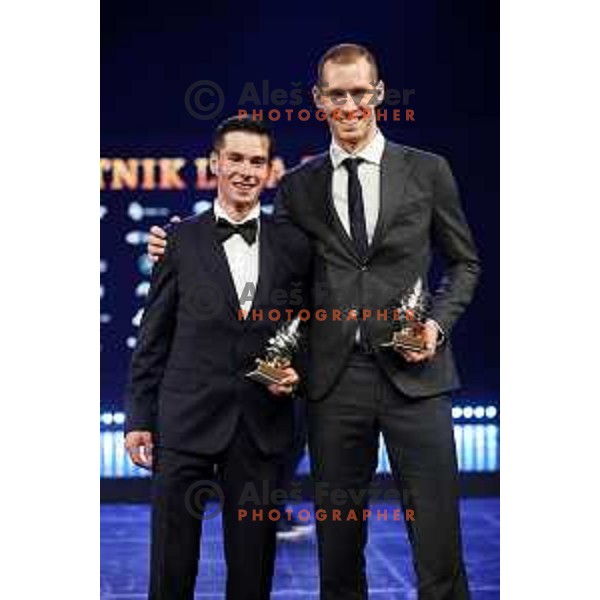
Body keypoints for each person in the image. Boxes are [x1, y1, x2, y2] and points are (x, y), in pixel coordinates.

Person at [148, 44, 481, 600]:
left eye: (358, 92)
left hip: (418, 383)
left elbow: (466, 263)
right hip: (333, 386)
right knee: (339, 554)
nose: (349, 104)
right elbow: (270, 259)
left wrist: (437, 326)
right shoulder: (299, 186)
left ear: (378, 94)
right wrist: (179, 238)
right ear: (319, 101)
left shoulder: (428, 170)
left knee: (439, 548)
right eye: (336, 94)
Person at [126, 116, 312, 600]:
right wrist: (138, 418)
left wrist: (299, 371)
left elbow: (308, 327)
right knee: (171, 566)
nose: (246, 170)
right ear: (215, 163)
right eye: (236, 159)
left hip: (259, 425)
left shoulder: (293, 245)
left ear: (269, 170)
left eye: (257, 161)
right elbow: (153, 336)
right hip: (183, 421)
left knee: (253, 570)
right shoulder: (178, 240)